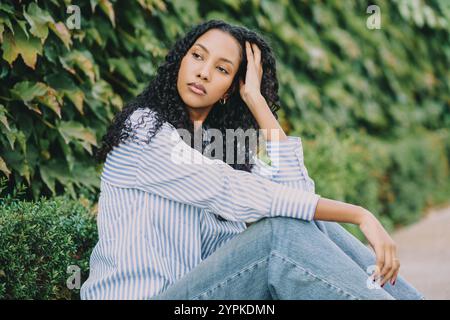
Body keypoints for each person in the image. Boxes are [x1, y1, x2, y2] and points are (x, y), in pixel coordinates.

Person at [80, 19, 425, 300]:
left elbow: (298, 195)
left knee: (305, 221)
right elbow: (231, 190)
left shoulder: (220, 150)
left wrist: (257, 101)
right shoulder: (144, 130)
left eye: (222, 69)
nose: (203, 72)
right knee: (278, 234)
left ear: (232, 88)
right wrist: (360, 214)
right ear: (180, 61)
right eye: (197, 57)